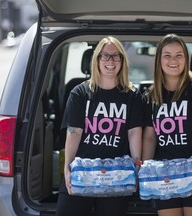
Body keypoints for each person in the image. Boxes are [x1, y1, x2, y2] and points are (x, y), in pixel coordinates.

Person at [56, 36, 143, 216]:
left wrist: (136, 167)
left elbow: (134, 133)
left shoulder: (132, 96)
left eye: (116, 56)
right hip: (82, 173)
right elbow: (74, 133)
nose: (110, 61)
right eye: (105, 56)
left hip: (116, 176)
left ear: (122, 61)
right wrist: (67, 167)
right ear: (97, 60)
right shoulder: (80, 93)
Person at [142, 34, 192, 216]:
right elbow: (149, 137)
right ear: (159, 60)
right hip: (166, 176)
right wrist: (145, 171)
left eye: (179, 55)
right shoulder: (151, 95)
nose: (173, 60)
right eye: (167, 55)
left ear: (186, 59)